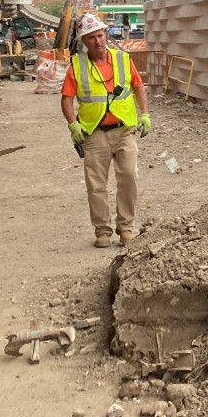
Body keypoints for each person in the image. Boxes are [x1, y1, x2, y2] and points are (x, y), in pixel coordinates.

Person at [61, 13, 152, 248]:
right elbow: (66, 99)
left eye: (100, 36)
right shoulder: (77, 65)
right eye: (91, 38)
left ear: (106, 35)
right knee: (96, 184)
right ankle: (102, 230)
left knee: (129, 177)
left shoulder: (122, 59)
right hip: (94, 133)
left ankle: (126, 228)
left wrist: (145, 114)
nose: (98, 42)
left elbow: (138, 87)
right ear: (84, 41)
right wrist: (73, 124)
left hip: (124, 130)